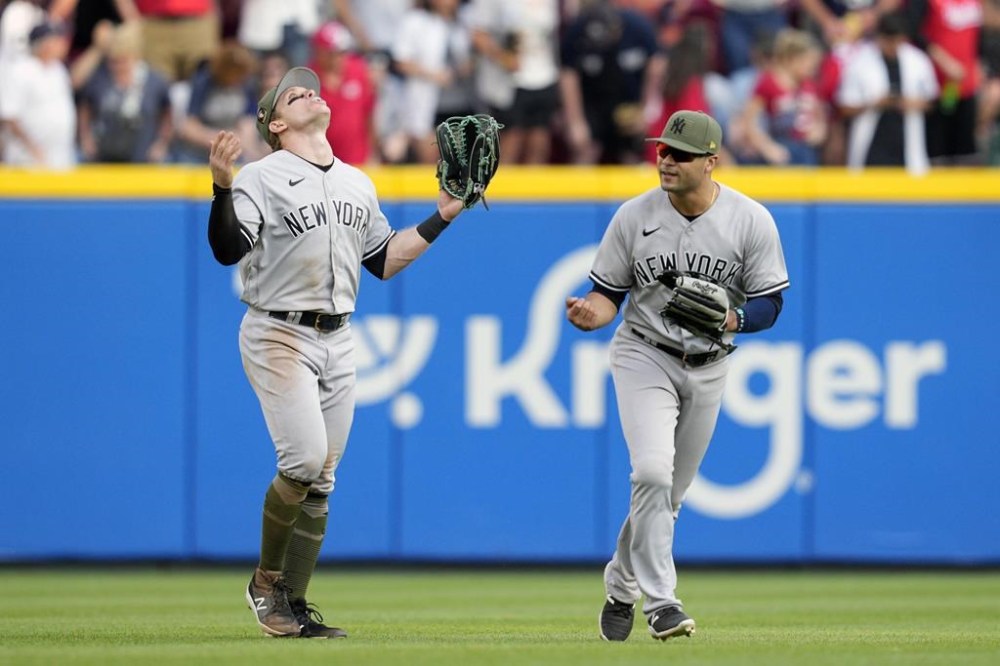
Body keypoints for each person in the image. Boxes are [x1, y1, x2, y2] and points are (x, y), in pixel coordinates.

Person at [206, 66, 468, 638]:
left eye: (310, 87)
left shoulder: (356, 181)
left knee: (322, 479)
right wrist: (223, 187)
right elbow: (229, 251)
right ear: (275, 123)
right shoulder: (261, 175)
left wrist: (443, 215)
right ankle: (265, 582)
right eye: (291, 94)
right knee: (301, 461)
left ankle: (292, 609)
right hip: (279, 330)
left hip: (339, 336)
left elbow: (384, 260)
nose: (307, 91)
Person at [565, 110, 788, 642]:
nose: (665, 160)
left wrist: (733, 319)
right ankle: (662, 603)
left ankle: (621, 584)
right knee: (651, 474)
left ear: (712, 162)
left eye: (680, 154)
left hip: (710, 365)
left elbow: (771, 304)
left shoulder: (749, 220)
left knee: (668, 497)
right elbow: (607, 296)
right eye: (662, 150)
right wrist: (590, 313)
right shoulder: (633, 216)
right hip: (645, 354)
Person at [837, 11, 938, 173]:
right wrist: (874, 103)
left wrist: (912, 103)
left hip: (907, 146)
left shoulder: (918, 61)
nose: (893, 47)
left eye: (897, 41)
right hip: (872, 148)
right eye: (889, 41)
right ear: (880, 37)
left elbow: (933, 100)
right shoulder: (860, 62)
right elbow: (844, 107)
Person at [0, 21, 76, 169]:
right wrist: (32, 148)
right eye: (56, 40)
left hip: (60, 157)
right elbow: (9, 117)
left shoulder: (59, 70)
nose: (62, 44)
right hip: (27, 159)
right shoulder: (21, 70)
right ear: (44, 43)